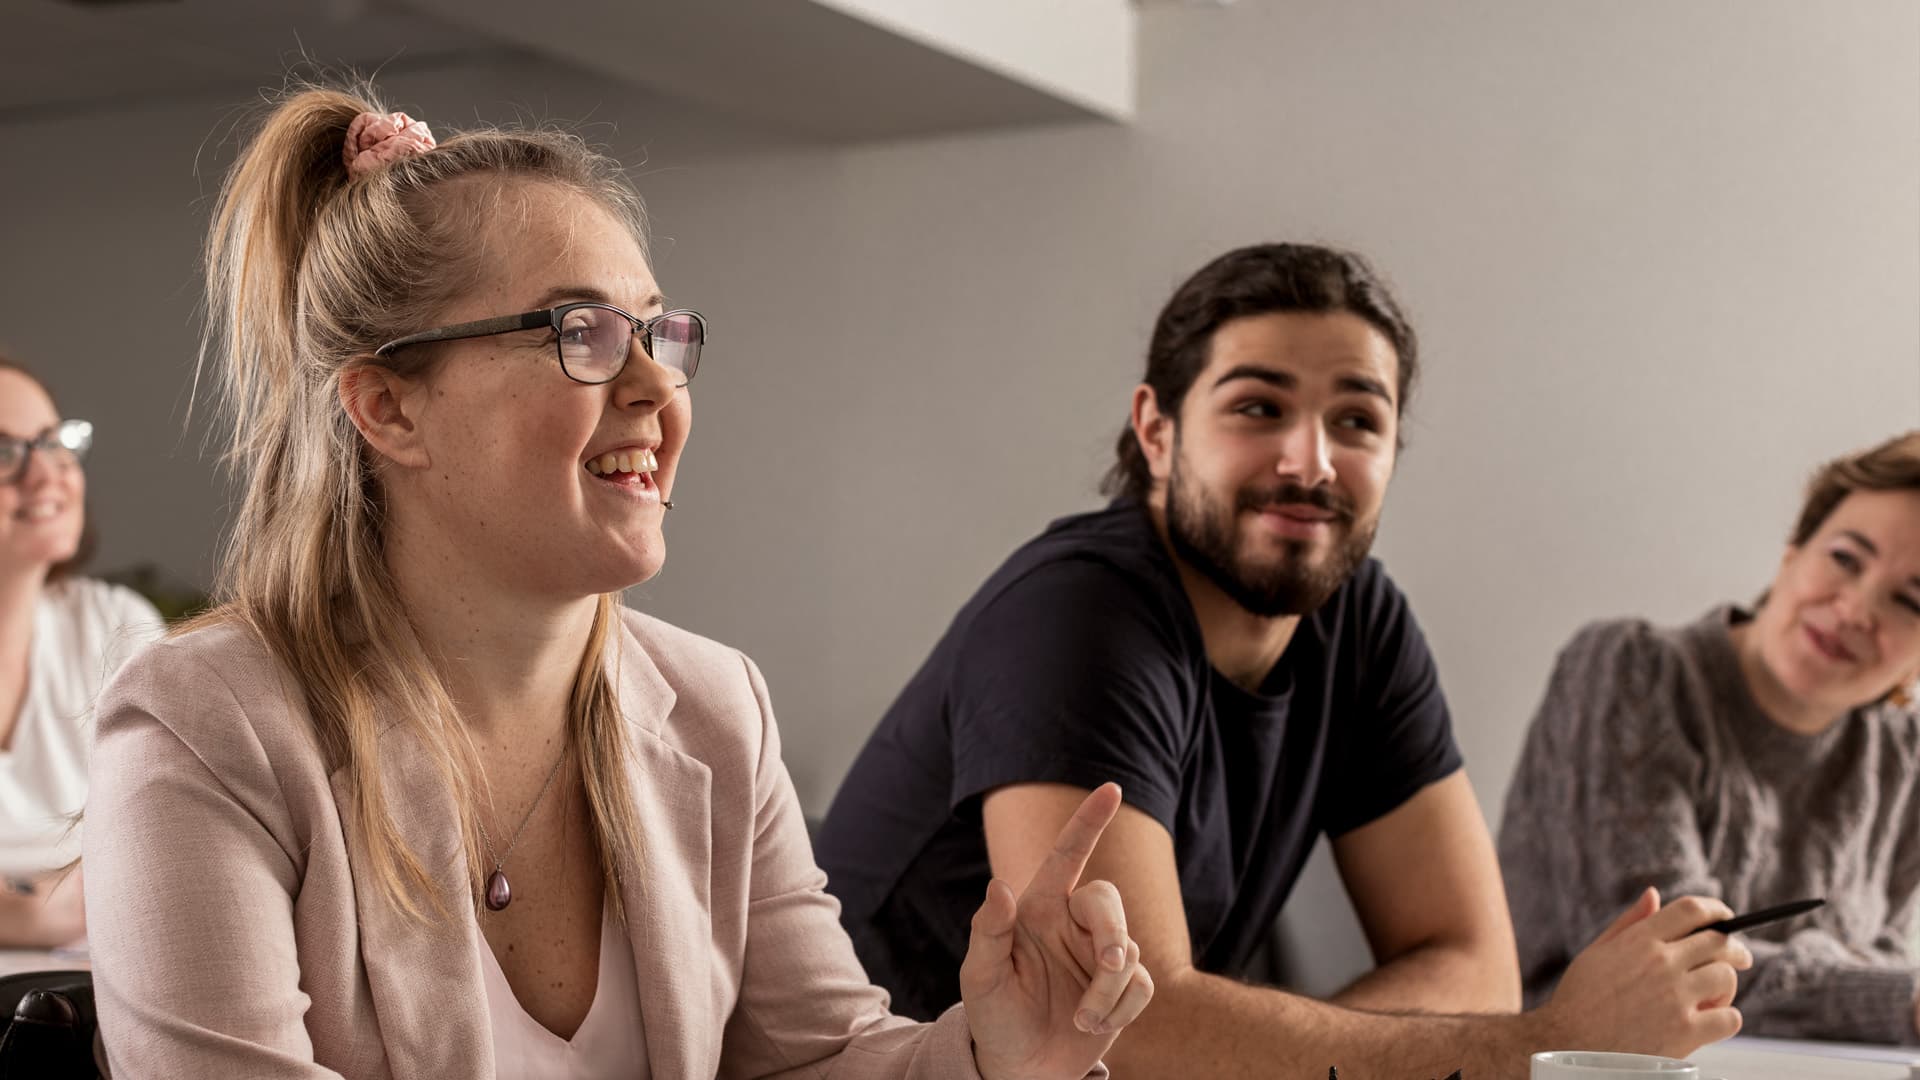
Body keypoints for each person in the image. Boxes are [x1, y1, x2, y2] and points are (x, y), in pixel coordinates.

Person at [81, 86, 1151, 1079]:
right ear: (387, 409)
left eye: (655, 332)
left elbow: (817, 1059)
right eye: (579, 332)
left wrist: (993, 1055)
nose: (654, 386)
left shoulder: (717, 707)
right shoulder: (207, 723)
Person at [816, 243, 1751, 1079]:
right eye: (1259, 407)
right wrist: (1548, 1046)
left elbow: (1472, 964)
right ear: (1156, 430)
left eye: (1358, 421)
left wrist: (1269, 1056)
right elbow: (1128, 1034)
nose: (1311, 462)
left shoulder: (1361, 618)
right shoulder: (1078, 615)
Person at [1501, 430, 1920, 1044]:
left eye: (1910, 600)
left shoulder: (1905, 762)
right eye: (1844, 559)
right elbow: (1667, 972)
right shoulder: (1632, 671)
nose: (1855, 609)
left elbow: (1882, 968)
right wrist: (1900, 1000)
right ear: (1791, 553)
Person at [0, 355, 162, 948]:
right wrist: (36, 913)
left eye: (52, 442)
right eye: (2, 453)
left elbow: (173, 848)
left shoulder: (113, 625)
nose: (46, 476)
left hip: (102, 997)